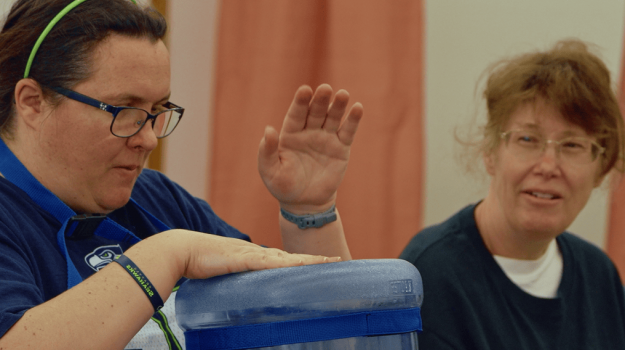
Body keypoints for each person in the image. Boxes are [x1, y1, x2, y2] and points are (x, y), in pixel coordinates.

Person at [0, 0, 363, 349]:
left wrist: (310, 212)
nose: (148, 138)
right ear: (32, 101)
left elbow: (329, 326)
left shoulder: (155, 197)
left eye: (157, 109)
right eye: (124, 110)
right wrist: (168, 254)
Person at [400, 39, 625, 349]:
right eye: (528, 138)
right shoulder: (431, 274)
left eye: (572, 145)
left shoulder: (599, 274)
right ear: (491, 153)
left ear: (601, 168)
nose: (548, 166)